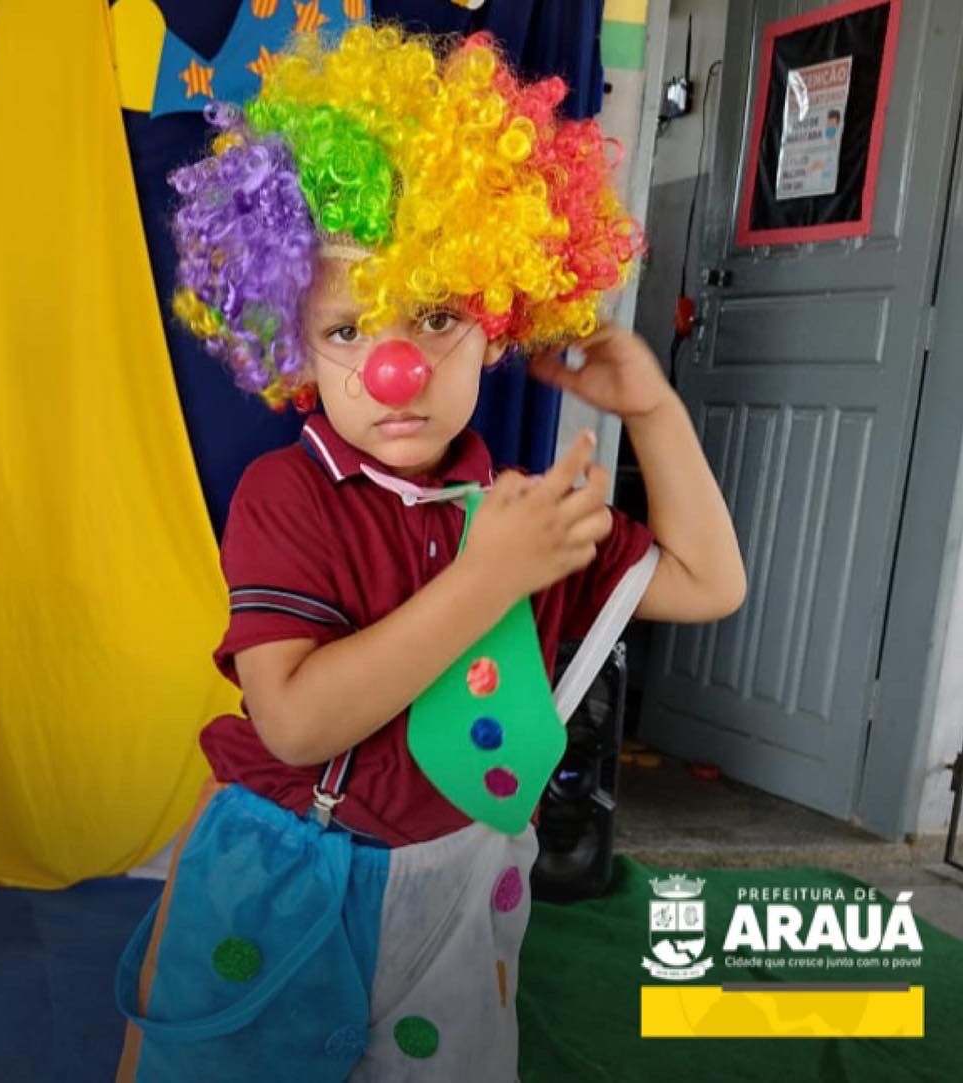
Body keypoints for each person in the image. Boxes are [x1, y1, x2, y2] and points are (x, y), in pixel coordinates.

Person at [116, 26, 745, 1082]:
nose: (393, 370)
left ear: (498, 319)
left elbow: (709, 583)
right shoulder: (289, 495)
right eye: (347, 331)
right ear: (294, 342)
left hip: (459, 881)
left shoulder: (522, 514)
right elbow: (296, 719)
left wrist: (655, 411)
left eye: (437, 316)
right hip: (285, 863)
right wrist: (488, 578)